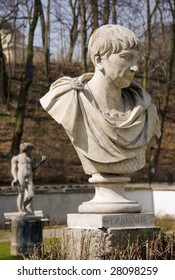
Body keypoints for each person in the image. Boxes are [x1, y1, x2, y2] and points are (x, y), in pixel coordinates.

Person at [40, 24, 160, 176]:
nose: (135, 67)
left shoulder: (147, 112)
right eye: (126, 57)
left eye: (135, 59)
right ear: (98, 60)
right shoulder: (67, 100)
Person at [11, 142, 46, 214]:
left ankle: (24, 206)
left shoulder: (31, 158)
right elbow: (13, 169)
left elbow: (33, 168)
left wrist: (40, 162)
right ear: (26, 150)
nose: (31, 151)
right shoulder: (17, 158)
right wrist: (15, 178)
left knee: (31, 195)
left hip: (29, 177)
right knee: (21, 193)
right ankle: (20, 210)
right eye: (30, 149)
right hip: (21, 176)